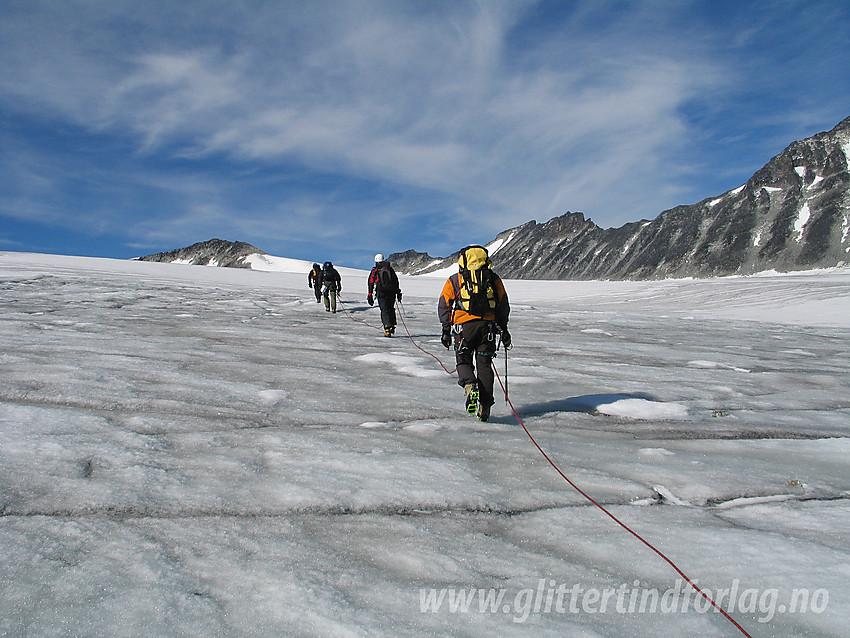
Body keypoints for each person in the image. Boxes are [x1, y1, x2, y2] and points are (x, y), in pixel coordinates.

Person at [438, 245, 511, 422]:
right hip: (488, 328)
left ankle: (470, 385)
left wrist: (446, 329)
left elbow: (444, 304)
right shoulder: (492, 279)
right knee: (484, 365)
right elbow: (503, 304)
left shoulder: (455, 280)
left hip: (463, 328)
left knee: (463, 360)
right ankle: (484, 407)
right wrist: (504, 329)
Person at [367, 253, 402, 337]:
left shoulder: (375, 270)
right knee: (390, 308)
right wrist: (398, 293)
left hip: (381, 292)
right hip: (391, 292)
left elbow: (371, 283)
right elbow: (395, 281)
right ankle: (392, 325)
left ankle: (387, 328)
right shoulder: (390, 269)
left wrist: (370, 294)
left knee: (384, 309)